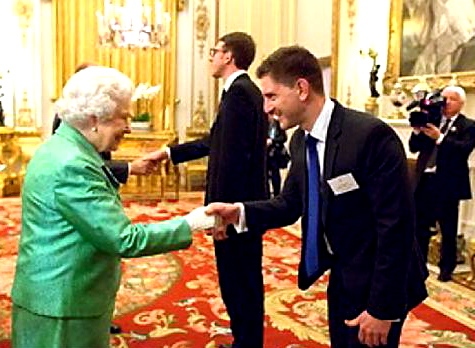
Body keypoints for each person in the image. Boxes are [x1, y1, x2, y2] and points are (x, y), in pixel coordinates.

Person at [207, 46, 429, 348]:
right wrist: (240, 211)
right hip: (342, 274)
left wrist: (382, 309)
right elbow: (290, 204)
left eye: (272, 97)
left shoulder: (369, 136)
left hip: (380, 279)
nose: (266, 108)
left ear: (301, 89)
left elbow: (397, 227)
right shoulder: (301, 140)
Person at [11, 66, 216, 348]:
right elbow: (123, 239)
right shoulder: (72, 164)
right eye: (124, 117)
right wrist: (192, 222)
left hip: (57, 295)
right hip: (64, 305)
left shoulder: (60, 147)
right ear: (95, 119)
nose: (129, 126)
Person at [143, 32, 268, 348]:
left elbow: (234, 160)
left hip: (235, 208)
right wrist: (169, 153)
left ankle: (247, 343)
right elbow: (215, 144)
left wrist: (221, 214)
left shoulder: (240, 93)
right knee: (242, 278)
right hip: (240, 205)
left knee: (239, 280)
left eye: (214, 51)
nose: (210, 56)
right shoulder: (239, 92)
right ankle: (245, 341)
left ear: (228, 56)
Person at [409, 85, 475, 282]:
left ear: (461, 104)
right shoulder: (432, 120)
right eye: (443, 97)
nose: (445, 102)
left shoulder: (468, 125)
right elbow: (413, 148)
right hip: (425, 181)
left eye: (451, 98)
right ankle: (418, 265)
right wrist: (417, 131)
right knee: (420, 226)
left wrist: (440, 138)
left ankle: (446, 268)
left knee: (448, 229)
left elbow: (463, 150)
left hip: (447, 184)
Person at [52, 62, 156, 184]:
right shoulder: (67, 121)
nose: (128, 129)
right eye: (123, 117)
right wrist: (129, 168)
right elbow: (85, 166)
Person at [267, 114, 289, 197]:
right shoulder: (264, 125)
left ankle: (277, 192)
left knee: (275, 174)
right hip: (267, 154)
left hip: (275, 153)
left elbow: (283, 137)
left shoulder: (277, 124)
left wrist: (273, 141)